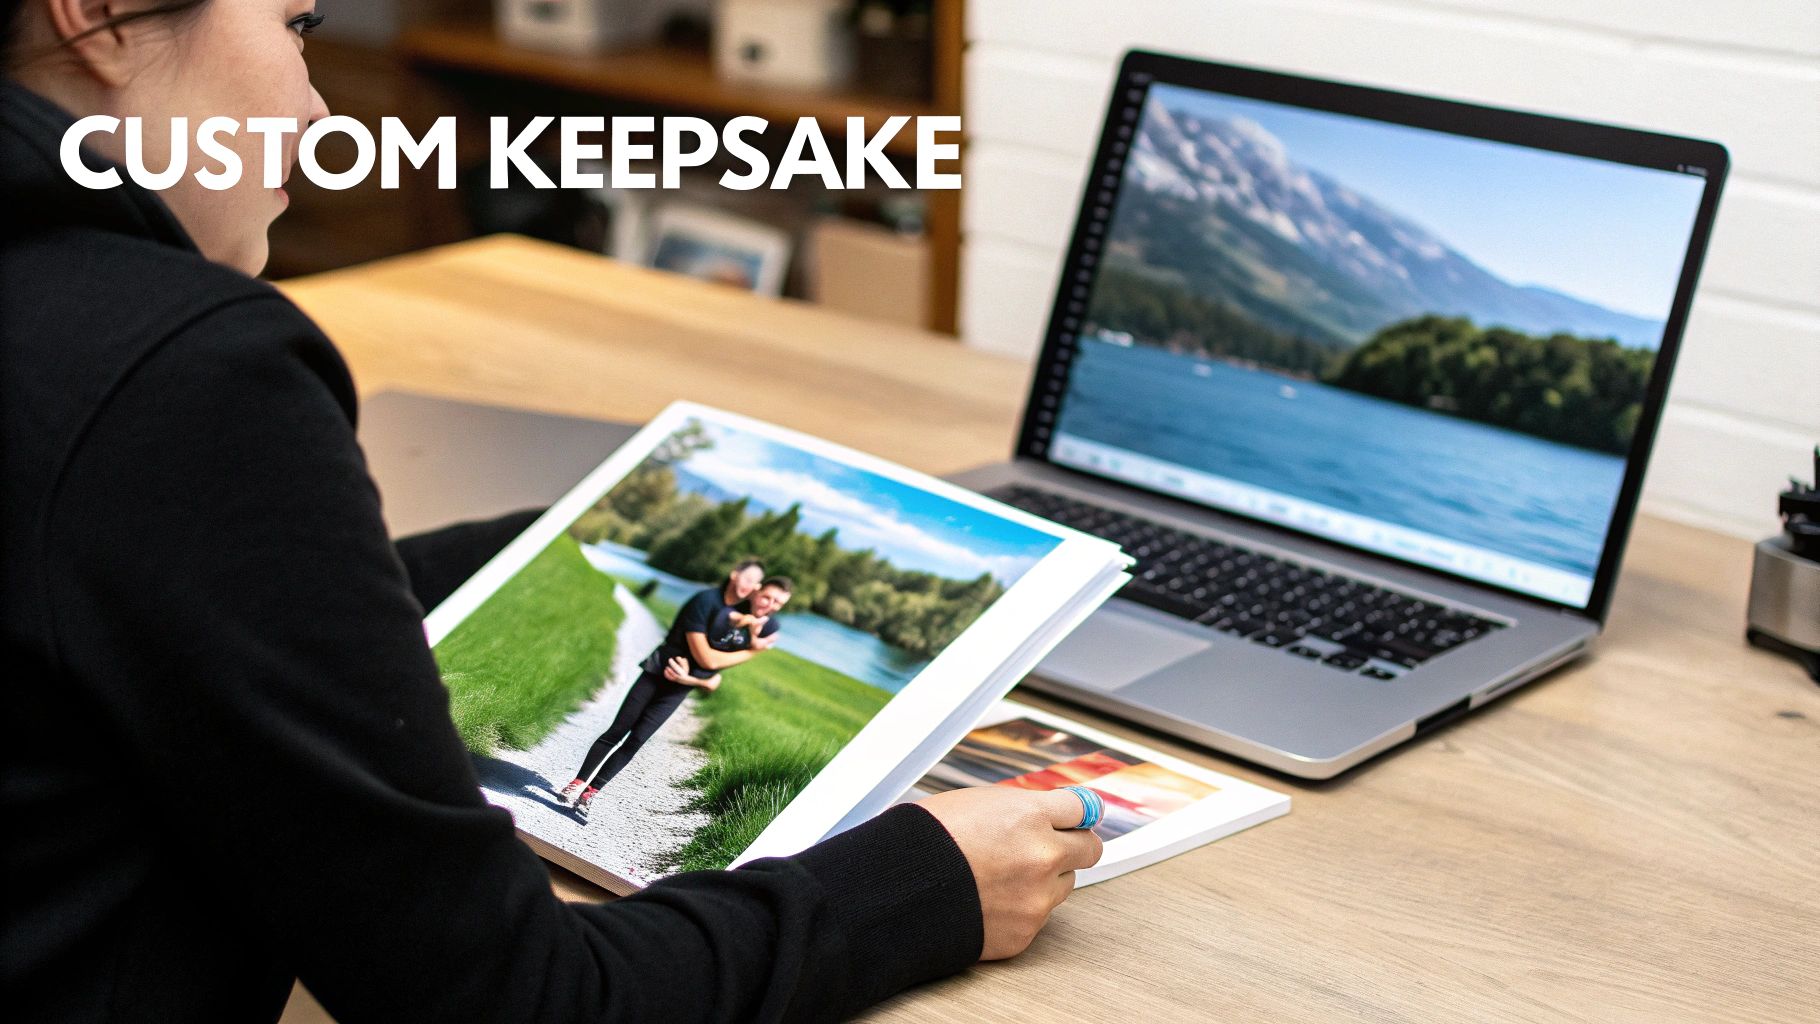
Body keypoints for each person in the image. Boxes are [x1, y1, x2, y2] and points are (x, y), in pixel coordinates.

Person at [0, 2, 1104, 1021]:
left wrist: (558, 536)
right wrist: (923, 886)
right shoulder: (182, 376)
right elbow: (513, 996)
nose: (317, 106)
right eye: (296, 22)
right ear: (98, 12)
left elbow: (131, 598)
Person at [557, 562, 786, 818]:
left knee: (637, 740)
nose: (753, 589)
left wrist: (703, 678)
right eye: (751, 582)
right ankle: (576, 783)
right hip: (658, 672)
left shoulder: (742, 613)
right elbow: (708, 659)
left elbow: (723, 651)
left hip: (679, 688)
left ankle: (590, 793)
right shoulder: (705, 601)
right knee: (618, 730)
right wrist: (750, 651)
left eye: (757, 585)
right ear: (734, 575)